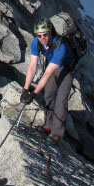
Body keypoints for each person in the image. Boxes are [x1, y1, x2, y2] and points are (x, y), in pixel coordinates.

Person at [20, 17, 75, 145]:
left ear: (51, 33)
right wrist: (25, 89)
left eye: (45, 34)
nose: (43, 38)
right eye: (39, 35)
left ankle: (57, 133)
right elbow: (33, 66)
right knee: (49, 94)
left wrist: (33, 94)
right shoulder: (36, 42)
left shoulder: (61, 46)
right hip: (53, 63)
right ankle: (49, 124)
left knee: (61, 99)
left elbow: (47, 74)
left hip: (66, 68)